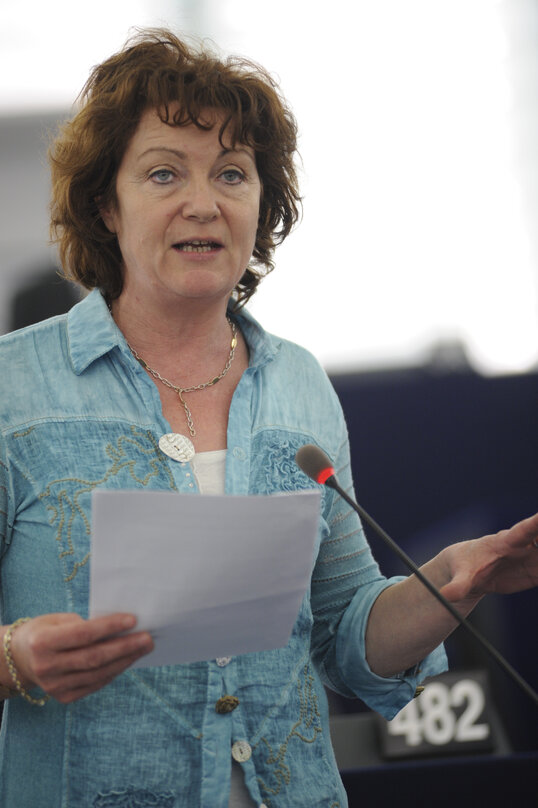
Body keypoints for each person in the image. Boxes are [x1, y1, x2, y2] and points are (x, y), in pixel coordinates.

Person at [0, 28, 536, 808]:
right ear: (106, 207)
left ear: (261, 203)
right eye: (162, 173)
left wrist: (452, 585)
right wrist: (14, 659)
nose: (203, 201)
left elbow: (348, 638)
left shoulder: (299, 384)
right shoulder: (15, 383)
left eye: (231, 173)